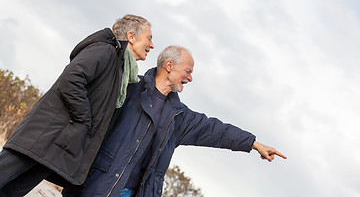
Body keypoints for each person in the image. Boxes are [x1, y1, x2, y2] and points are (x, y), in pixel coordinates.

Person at [63, 45, 286, 197]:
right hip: (97, 185)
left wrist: (253, 143)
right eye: (187, 71)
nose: (190, 78)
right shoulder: (130, 88)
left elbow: (216, 130)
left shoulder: (179, 116)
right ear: (169, 66)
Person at [0, 14, 154, 196]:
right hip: (42, 138)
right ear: (131, 36)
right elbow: (71, 79)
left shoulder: (122, 71)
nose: (152, 45)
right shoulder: (105, 51)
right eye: (149, 38)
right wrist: (84, 120)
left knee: (10, 193)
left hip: (58, 147)